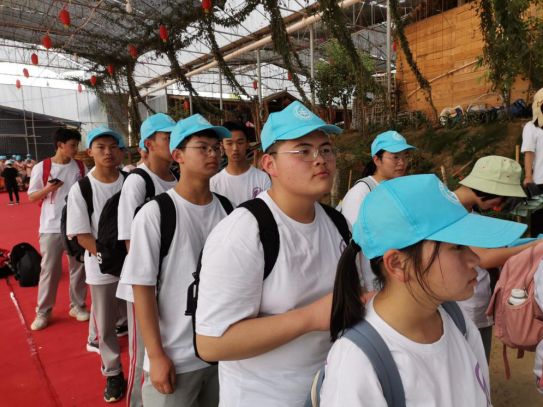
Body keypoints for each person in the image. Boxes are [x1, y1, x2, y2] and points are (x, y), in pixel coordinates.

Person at [320, 174, 526, 406]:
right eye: (457, 247)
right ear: (398, 264)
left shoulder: (456, 320)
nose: (474, 259)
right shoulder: (357, 364)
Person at [195, 101, 346, 407]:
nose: (320, 159)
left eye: (326, 149)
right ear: (269, 164)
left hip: (331, 391)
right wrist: (311, 318)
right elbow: (211, 343)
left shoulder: (338, 223)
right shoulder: (243, 233)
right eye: (304, 151)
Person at [120, 114, 232, 406]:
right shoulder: (155, 213)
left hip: (222, 352)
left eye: (216, 147)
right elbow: (142, 288)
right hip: (176, 357)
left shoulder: (229, 210)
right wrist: (156, 355)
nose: (213, 154)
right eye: (202, 147)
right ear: (178, 156)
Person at [116, 113, 178, 407]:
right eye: (168, 138)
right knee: (143, 357)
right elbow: (130, 241)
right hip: (145, 285)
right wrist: (154, 283)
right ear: (149, 144)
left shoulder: (176, 178)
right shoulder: (137, 181)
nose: (175, 142)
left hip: (172, 284)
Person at [454, 155, 540, 362]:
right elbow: (483, 258)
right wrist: (535, 246)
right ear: (490, 189)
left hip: (473, 298)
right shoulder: (453, 211)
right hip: (463, 304)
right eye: (501, 198)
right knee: (471, 363)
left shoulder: (468, 210)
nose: (498, 205)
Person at [66, 125, 126, 403]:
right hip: (102, 267)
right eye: (101, 147)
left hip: (134, 264)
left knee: (141, 319)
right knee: (105, 325)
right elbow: (81, 234)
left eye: (113, 146)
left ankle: (145, 366)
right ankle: (113, 372)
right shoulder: (82, 188)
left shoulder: (131, 181)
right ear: (90, 152)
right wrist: (107, 258)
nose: (108, 152)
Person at [340, 131, 417, 292]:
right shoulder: (361, 193)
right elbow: (353, 244)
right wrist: (360, 287)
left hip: (399, 277)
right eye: (395, 157)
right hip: (373, 284)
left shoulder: (400, 189)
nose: (402, 162)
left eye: (405, 156)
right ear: (377, 160)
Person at [27, 128, 89, 331]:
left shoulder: (81, 166)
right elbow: (32, 196)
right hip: (51, 226)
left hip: (76, 225)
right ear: (60, 145)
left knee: (78, 268)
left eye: (77, 145)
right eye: (72, 145)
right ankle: (43, 311)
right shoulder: (43, 167)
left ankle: (78, 306)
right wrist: (48, 189)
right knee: (50, 270)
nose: (76, 149)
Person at [210, 121, 271, 206]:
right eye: (229, 143)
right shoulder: (214, 183)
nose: (235, 148)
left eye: (240, 143)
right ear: (222, 146)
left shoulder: (263, 178)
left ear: (248, 144)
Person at [522, 88, 543, 236]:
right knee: (539, 220)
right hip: (539, 181)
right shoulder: (531, 128)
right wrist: (528, 176)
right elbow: (529, 152)